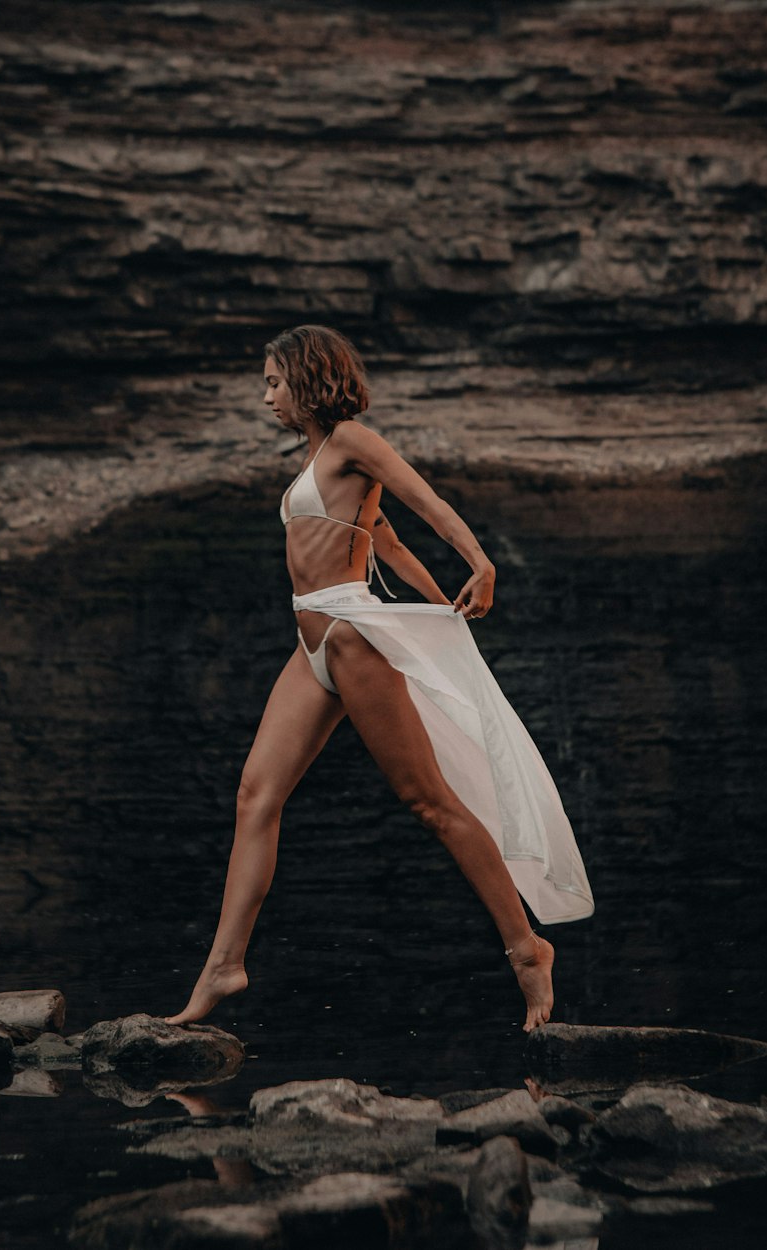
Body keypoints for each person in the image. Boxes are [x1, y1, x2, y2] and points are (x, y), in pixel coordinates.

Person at [166, 325, 593, 1033]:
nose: (265, 396)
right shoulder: (317, 457)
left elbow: (424, 503)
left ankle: (527, 948)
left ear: (308, 379)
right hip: (311, 644)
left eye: (274, 381)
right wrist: (437, 605)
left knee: (429, 802)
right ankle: (225, 965)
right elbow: (383, 540)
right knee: (255, 795)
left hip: (350, 635)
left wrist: (479, 563)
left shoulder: (352, 441)